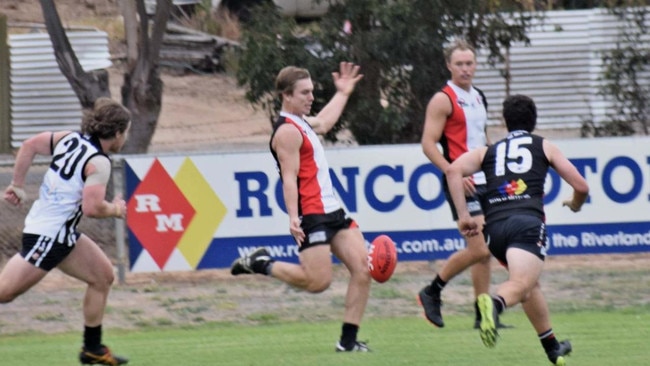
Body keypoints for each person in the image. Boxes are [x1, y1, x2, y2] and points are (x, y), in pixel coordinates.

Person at [230, 62, 372, 352]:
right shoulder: (287, 132)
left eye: (312, 91)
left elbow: (327, 121)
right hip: (313, 215)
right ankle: (261, 263)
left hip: (334, 211)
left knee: (363, 269)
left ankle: (347, 343)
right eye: (304, 93)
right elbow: (289, 178)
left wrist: (343, 92)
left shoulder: (304, 124)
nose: (311, 97)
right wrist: (294, 217)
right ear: (286, 95)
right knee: (318, 282)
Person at [446, 94, 589, 365]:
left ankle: (552, 347)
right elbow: (581, 187)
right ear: (534, 121)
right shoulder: (543, 145)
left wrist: (464, 215)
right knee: (521, 285)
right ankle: (494, 304)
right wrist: (574, 204)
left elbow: (453, 171)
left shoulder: (489, 150)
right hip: (526, 224)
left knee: (529, 283)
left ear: (504, 121)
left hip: (494, 230)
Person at [1, 97, 131, 365]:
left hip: (61, 234)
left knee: (103, 276)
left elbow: (29, 145)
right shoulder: (99, 162)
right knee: (4, 293)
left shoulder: (69, 139)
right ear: (117, 133)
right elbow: (92, 207)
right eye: (125, 132)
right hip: (49, 236)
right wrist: (117, 209)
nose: (125, 138)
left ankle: (92, 349)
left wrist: (18, 184)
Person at [418, 39, 509, 329]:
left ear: (476, 64)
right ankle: (432, 291)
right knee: (480, 249)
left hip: (484, 179)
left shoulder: (479, 95)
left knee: (485, 250)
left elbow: (481, 140)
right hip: (462, 182)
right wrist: (453, 172)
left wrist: (496, 168)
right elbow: (428, 144)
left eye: (469, 63)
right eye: (459, 64)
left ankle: (482, 314)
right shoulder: (443, 99)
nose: (465, 69)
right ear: (449, 65)